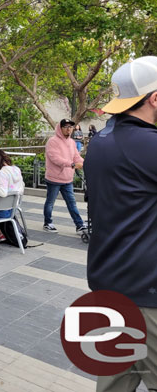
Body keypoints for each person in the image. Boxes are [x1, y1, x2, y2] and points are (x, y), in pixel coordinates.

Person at [84, 56, 157, 392]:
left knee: (115, 384)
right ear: (155, 99)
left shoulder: (100, 144)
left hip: (108, 287)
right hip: (147, 295)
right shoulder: (148, 146)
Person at [42, 119, 87, 234]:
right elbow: (55, 158)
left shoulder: (72, 142)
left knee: (72, 203)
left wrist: (86, 163)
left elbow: (76, 157)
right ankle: (48, 223)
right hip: (54, 178)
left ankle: (79, 225)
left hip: (67, 179)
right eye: (66, 127)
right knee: (50, 202)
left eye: (71, 127)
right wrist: (72, 164)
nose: (69, 129)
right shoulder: (52, 141)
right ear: (60, 128)